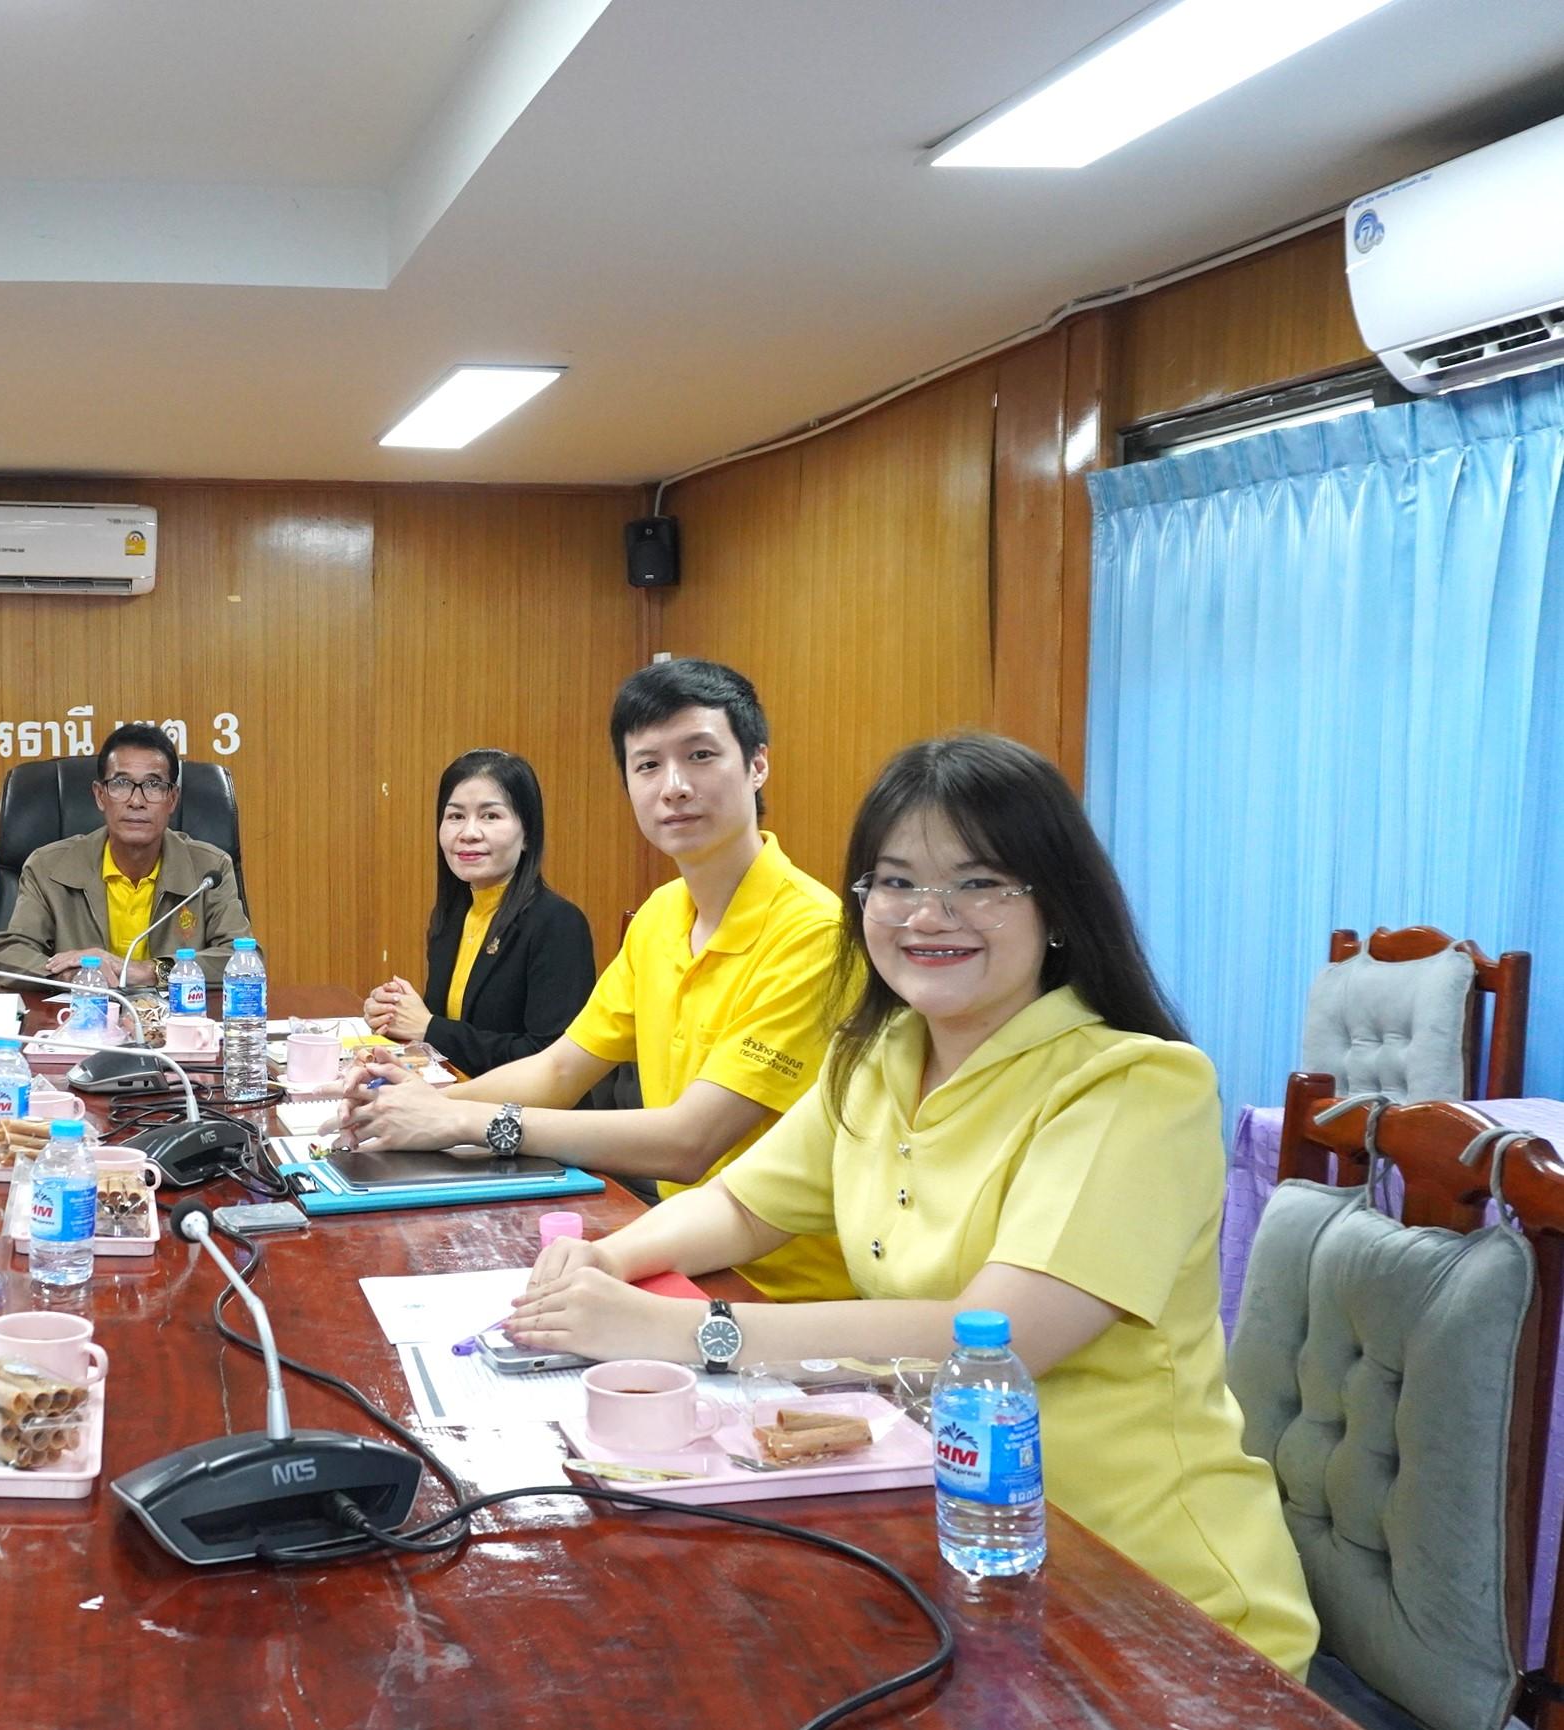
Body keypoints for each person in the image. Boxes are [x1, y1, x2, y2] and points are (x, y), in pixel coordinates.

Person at [507, 732, 1318, 1676]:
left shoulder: (1136, 1086)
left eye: (978, 883)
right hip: (934, 1538)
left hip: (1147, 1606)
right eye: (893, 883)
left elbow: (1005, 1336)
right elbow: (739, 1204)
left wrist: (681, 1331)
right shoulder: (881, 1058)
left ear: (1054, 903)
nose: (928, 915)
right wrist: (602, 1263)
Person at [343, 660, 850, 1301]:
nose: (674, 787)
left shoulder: (815, 933)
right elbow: (558, 1070)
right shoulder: (664, 913)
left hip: (782, 1288)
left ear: (757, 765)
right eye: (647, 765)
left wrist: (461, 1122)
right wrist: (413, 1105)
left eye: (700, 755)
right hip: (670, 1249)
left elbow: (690, 1141)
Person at [362, 749, 594, 1076]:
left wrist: (427, 1027)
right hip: (452, 1101)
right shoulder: (454, 916)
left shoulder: (557, 923)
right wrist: (395, 1013)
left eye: (490, 816)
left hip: (517, 1117)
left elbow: (549, 1060)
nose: (468, 833)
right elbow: (452, 1027)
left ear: (527, 833)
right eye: (456, 816)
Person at [0, 722, 252, 989]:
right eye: (122, 783)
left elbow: (243, 960)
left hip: (174, 1024)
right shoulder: (48, 868)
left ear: (172, 799)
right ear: (100, 796)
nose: (137, 801)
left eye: (153, 784)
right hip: (81, 1023)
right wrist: (69, 975)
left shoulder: (209, 870)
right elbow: (6, 957)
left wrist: (150, 971)